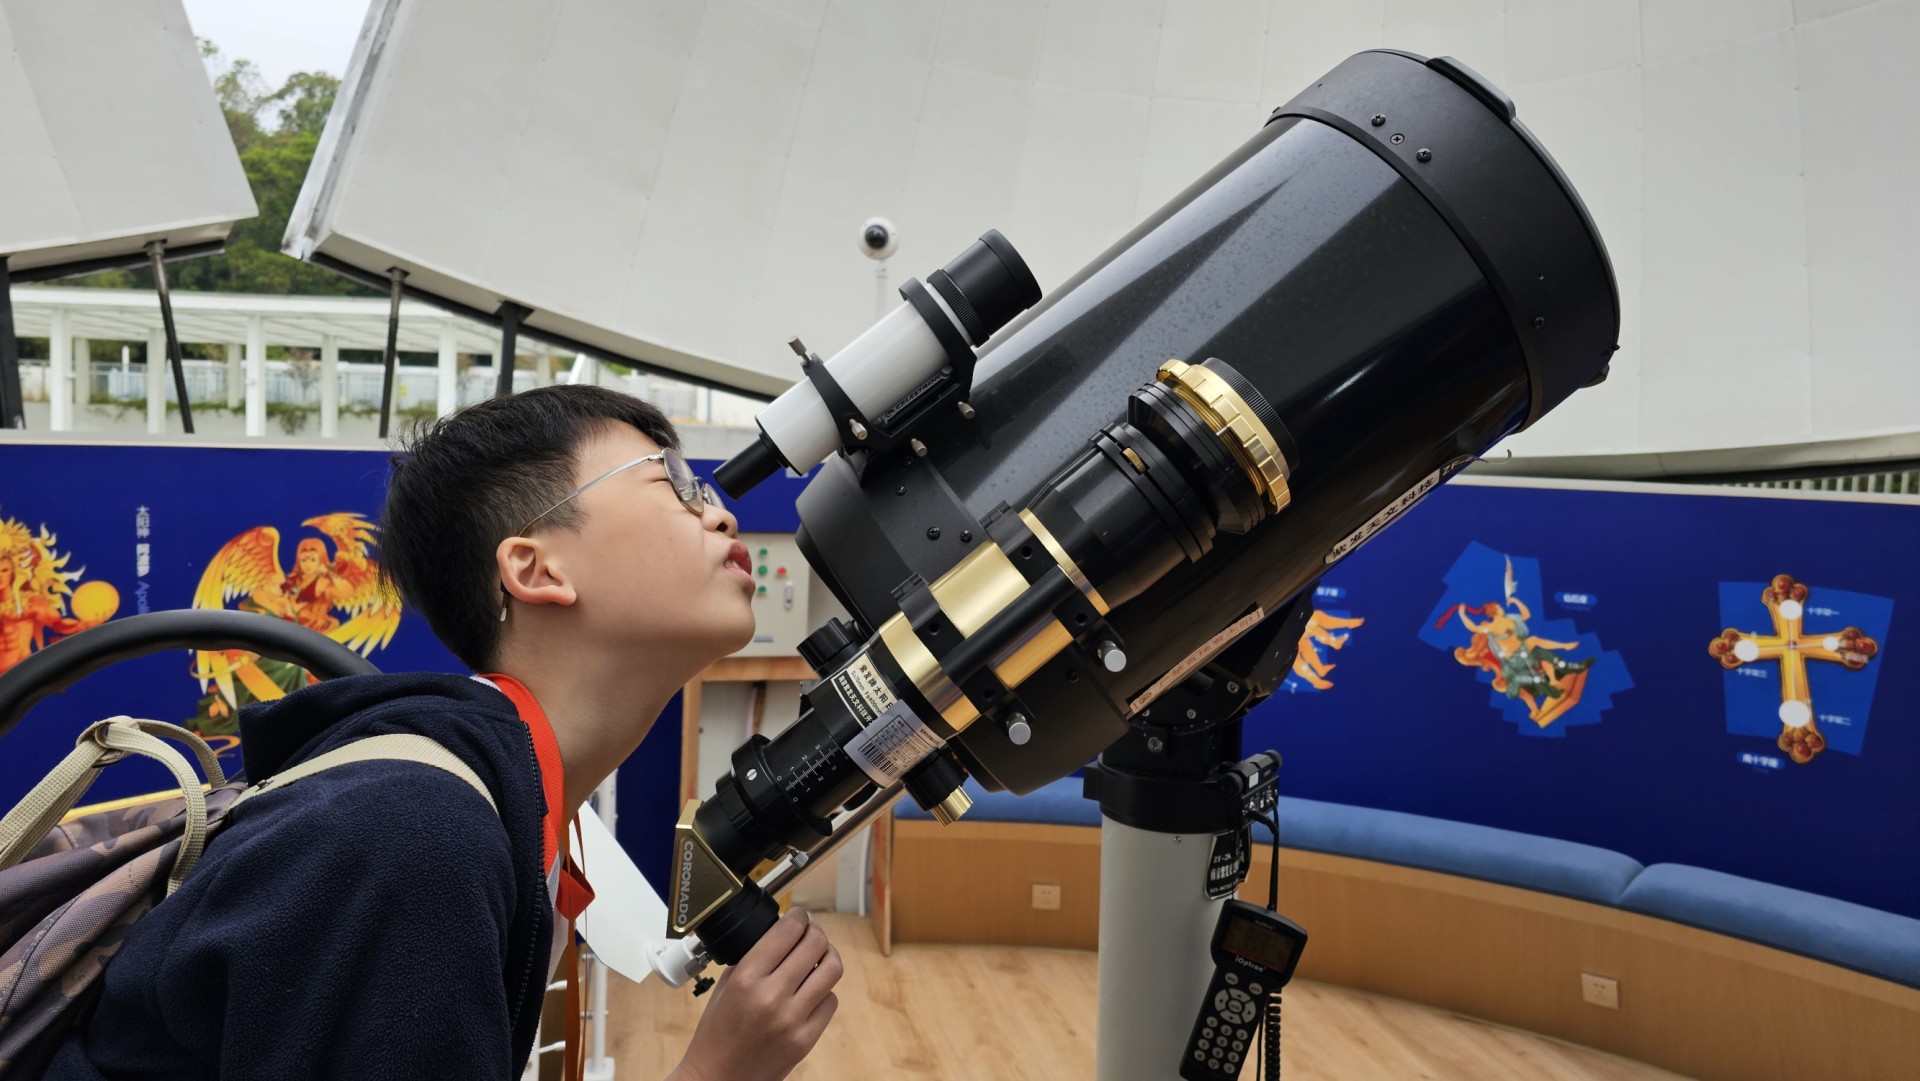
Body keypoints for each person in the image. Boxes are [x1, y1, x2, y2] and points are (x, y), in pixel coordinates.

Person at [47, 385, 842, 1080]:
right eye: (673, 485)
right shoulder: (413, 837)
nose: (721, 512)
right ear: (535, 569)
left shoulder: (476, 808)